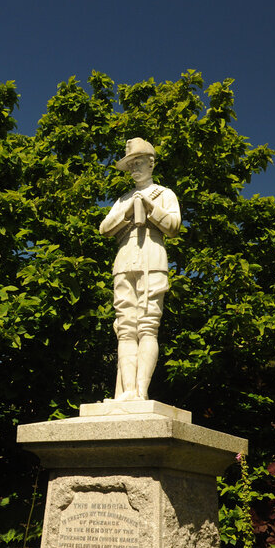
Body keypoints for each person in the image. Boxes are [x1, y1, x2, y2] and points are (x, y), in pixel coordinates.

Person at [99, 138, 181, 401]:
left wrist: (150, 208)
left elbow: (174, 226)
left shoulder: (164, 194)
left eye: (139, 162)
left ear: (151, 163)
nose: (134, 168)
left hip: (153, 259)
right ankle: (127, 391)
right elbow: (104, 228)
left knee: (147, 326)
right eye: (130, 164)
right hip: (124, 261)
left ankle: (141, 391)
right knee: (125, 328)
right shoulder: (122, 198)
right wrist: (127, 210)